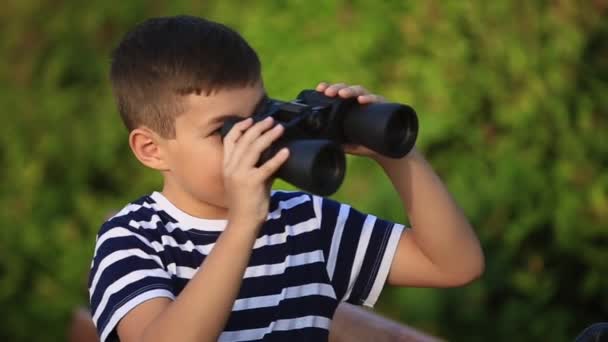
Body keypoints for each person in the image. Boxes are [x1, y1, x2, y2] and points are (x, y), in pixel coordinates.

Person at [88, 15, 484, 342]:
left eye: (262, 114)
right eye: (224, 131)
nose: (255, 138)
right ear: (151, 149)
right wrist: (244, 224)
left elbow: (455, 265)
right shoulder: (132, 239)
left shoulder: (304, 222)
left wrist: (396, 154)